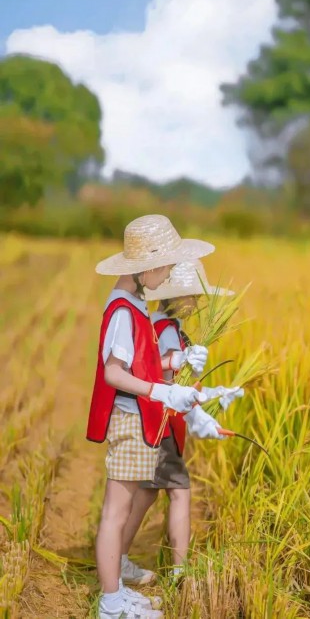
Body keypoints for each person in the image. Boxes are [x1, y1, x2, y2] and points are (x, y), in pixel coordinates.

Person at [87, 215, 215, 619]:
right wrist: (161, 390)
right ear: (148, 268)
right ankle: (111, 601)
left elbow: (140, 362)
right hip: (128, 419)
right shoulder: (124, 310)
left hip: (135, 417)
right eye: (166, 268)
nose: (168, 278)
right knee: (116, 513)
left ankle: (116, 587)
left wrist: (176, 362)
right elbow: (113, 372)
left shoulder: (133, 305)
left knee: (123, 509)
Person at [120, 260, 243, 584]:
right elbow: (161, 373)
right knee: (178, 491)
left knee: (149, 493)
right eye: (194, 296)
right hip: (161, 424)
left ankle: (120, 556)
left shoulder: (161, 323)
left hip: (159, 422)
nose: (198, 303)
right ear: (178, 296)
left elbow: (182, 381)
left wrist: (215, 393)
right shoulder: (167, 328)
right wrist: (179, 363)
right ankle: (178, 571)